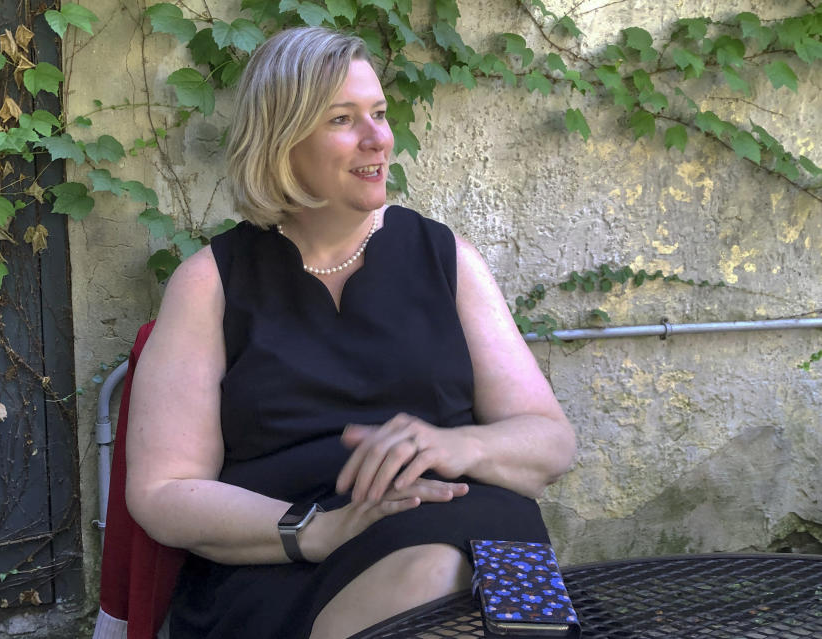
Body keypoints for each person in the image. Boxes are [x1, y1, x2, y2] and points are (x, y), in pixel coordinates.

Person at [124, 26, 577, 639]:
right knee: (438, 593)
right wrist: (313, 529)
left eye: (380, 113)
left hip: (462, 524)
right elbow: (163, 492)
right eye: (344, 119)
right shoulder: (211, 282)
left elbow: (549, 442)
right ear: (282, 142)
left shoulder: (447, 258)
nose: (379, 138)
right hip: (284, 561)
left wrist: (454, 448)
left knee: (451, 578)